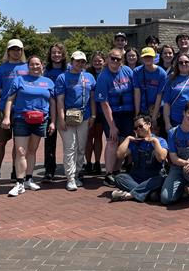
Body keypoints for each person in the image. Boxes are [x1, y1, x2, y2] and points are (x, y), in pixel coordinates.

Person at [1, 54, 56, 197]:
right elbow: (10, 99)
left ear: (42, 66)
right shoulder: (19, 80)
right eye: (32, 64)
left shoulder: (48, 82)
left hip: (40, 120)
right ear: (28, 66)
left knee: (32, 150)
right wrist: (6, 117)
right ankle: (19, 183)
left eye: (37, 64)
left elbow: (53, 103)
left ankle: (28, 179)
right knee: (20, 151)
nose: (35, 67)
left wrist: (53, 121)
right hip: (21, 119)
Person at [0, 39, 28, 188]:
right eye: (13, 49)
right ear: (8, 51)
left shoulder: (28, 68)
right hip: (4, 109)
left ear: (22, 51)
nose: (16, 52)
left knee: (19, 144)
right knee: (1, 142)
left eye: (19, 49)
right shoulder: (1, 69)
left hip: (21, 110)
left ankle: (15, 172)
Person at [55, 51, 96, 191]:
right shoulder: (62, 77)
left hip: (84, 116)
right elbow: (60, 100)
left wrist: (93, 116)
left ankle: (77, 173)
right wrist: (61, 119)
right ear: (72, 61)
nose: (80, 63)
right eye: (77, 61)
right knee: (70, 147)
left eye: (82, 61)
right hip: (68, 116)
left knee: (81, 147)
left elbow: (92, 98)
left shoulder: (89, 77)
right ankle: (70, 177)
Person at [95, 48, 135, 184]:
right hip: (112, 113)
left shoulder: (127, 71)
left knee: (124, 142)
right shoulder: (103, 77)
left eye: (118, 59)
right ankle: (108, 173)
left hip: (128, 112)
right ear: (107, 59)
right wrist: (112, 126)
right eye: (113, 58)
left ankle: (117, 170)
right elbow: (104, 103)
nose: (115, 61)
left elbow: (135, 90)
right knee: (112, 141)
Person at [110, 114, 168, 203]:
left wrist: (155, 142)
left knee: (162, 179)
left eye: (140, 126)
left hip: (153, 179)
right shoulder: (134, 142)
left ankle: (129, 195)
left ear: (149, 124)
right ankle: (148, 194)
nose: (138, 129)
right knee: (119, 178)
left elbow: (162, 158)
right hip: (136, 179)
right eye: (135, 128)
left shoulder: (160, 140)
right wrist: (128, 139)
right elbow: (119, 155)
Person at [42, 43, 68, 182]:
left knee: (69, 141)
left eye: (59, 52)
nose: (56, 55)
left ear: (63, 55)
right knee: (50, 142)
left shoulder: (68, 69)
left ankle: (71, 169)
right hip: (49, 110)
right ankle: (49, 170)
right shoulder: (46, 70)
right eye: (53, 52)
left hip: (66, 109)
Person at [133, 47, 167, 126]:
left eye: (150, 57)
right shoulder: (137, 71)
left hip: (156, 109)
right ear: (142, 58)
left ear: (154, 57)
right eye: (145, 57)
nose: (147, 59)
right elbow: (137, 92)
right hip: (142, 109)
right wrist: (137, 114)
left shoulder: (161, 73)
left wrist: (154, 117)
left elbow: (159, 95)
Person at [84, 52, 106, 175]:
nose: (97, 63)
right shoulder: (87, 74)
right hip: (89, 110)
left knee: (98, 137)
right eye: (95, 61)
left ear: (104, 61)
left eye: (100, 61)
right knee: (88, 137)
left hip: (102, 110)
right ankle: (88, 163)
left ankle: (97, 162)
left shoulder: (107, 73)